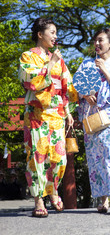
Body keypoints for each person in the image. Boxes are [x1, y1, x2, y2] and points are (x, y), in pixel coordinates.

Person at [18, 17, 78, 217]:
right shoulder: (28, 57)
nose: (56, 36)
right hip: (36, 115)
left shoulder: (59, 59)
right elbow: (31, 82)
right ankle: (38, 199)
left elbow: (66, 86)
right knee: (37, 156)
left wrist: (68, 112)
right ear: (40, 34)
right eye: (52, 32)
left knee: (59, 159)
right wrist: (50, 64)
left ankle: (53, 190)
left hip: (57, 115)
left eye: (56, 32)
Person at [75, 28, 110, 213]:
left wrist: (105, 71)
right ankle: (102, 199)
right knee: (95, 158)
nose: (97, 44)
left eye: (101, 40)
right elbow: (75, 88)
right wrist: (83, 94)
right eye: (95, 41)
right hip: (92, 115)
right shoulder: (86, 64)